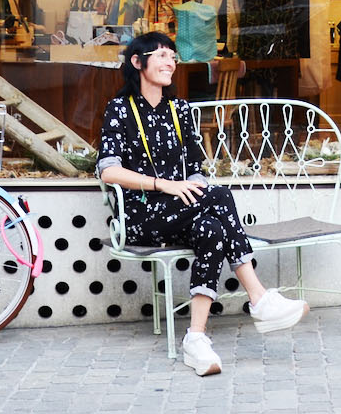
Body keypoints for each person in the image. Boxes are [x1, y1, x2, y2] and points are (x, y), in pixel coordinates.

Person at [97, 31, 308, 375]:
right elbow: (109, 171)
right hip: (140, 218)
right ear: (138, 62)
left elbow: (195, 171)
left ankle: (196, 340)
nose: (170, 62)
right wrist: (163, 185)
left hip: (180, 212)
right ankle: (258, 297)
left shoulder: (179, 110)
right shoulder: (120, 109)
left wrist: (192, 189)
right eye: (161, 55)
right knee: (221, 196)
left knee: (211, 228)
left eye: (173, 56)